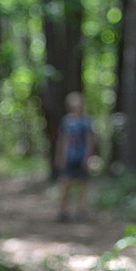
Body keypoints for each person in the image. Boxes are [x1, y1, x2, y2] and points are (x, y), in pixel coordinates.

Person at [55, 92, 96, 223]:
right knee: (65, 184)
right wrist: (60, 156)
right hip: (69, 158)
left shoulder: (86, 121)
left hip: (81, 157)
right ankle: (62, 211)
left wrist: (87, 157)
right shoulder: (67, 121)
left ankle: (82, 212)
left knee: (82, 185)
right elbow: (62, 140)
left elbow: (90, 140)